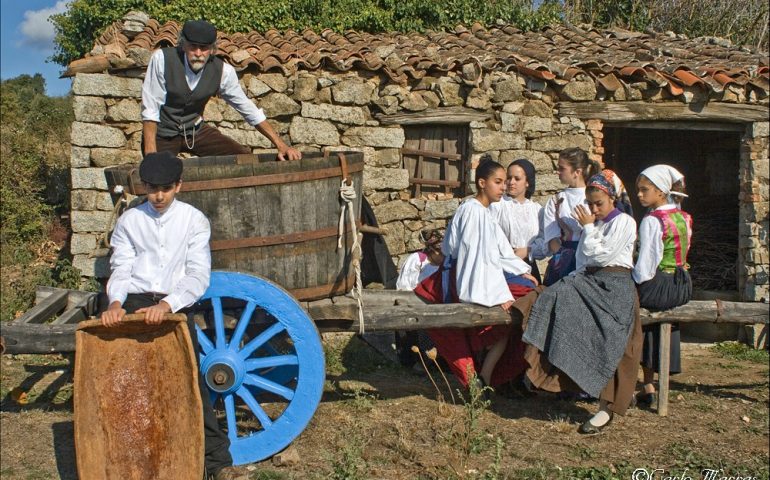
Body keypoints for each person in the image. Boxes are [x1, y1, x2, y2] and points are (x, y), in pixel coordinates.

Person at [101, 151, 245, 480]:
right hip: (135, 301)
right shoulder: (129, 222)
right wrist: (114, 304)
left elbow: (197, 275)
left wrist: (167, 306)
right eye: (152, 189)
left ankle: (217, 464)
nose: (159, 196)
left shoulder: (194, 221)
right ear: (144, 187)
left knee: (191, 382)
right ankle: (130, 463)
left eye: (166, 188)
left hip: (175, 304)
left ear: (179, 185)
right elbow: (121, 268)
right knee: (128, 386)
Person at [514, 169, 642, 434]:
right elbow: (585, 260)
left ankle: (606, 408)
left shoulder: (624, 223)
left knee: (612, 344)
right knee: (549, 298)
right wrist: (570, 280)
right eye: (591, 204)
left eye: (600, 204)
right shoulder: (594, 225)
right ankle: (542, 373)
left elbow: (603, 255)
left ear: (613, 200)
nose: (595, 209)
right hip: (590, 283)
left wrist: (587, 227)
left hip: (615, 288)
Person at [414, 159, 537, 394]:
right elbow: (475, 259)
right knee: (465, 333)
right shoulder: (471, 211)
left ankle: (486, 376)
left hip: (481, 276)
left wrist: (522, 271)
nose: (503, 187)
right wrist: (497, 293)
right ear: (482, 183)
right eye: (498, 182)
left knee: (527, 296)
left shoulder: (485, 212)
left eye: (504, 182)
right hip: (463, 279)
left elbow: (498, 251)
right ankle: (478, 380)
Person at [141, 19, 301, 161]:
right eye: (193, 46)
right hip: (162, 134)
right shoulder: (162, 59)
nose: (198, 53)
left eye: (203, 48)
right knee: (162, 177)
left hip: (195, 131)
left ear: (212, 49)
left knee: (243, 160)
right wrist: (151, 155)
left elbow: (247, 109)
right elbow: (150, 109)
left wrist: (281, 145)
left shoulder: (223, 71)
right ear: (183, 45)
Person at [632, 165, 692, 408]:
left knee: (631, 307)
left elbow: (646, 266)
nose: (639, 194)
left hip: (660, 285)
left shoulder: (652, 221)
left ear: (661, 191)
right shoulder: (684, 217)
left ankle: (640, 381)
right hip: (682, 283)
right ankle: (651, 383)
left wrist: (632, 283)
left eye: (645, 190)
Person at [541, 147, 601, 286]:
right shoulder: (556, 201)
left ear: (577, 172)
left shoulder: (594, 199)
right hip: (563, 260)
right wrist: (566, 257)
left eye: (562, 168)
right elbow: (552, 238)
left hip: (590, 258)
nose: (558, 172)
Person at [490, 158, 549, 282]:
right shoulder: (497, 205)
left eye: (517, 179)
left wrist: (528, 251)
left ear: (527, 182)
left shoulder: (537, 210)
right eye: (509, 177)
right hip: (502, 266)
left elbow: (545, 240)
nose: (511, 182)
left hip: (529, 266)